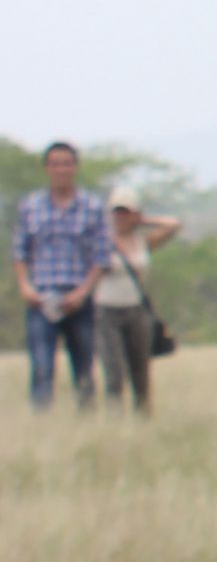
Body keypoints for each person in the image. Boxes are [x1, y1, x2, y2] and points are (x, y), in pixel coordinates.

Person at [18, 141, 113, 412]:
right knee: (41, 366)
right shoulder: (30, 206)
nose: (61, 169)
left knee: (84, 366)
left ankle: (86, 423)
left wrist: (83, 292)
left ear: (75, 167)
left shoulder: (92, 206)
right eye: (55, 163)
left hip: (79, 298)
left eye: (66, 163)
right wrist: (25, 287)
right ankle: (42, 424)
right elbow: (20, 252)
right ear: (47, 168)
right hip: (41, 297)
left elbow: (101, 256)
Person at [93, 182, 183, 415]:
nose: (121, 216)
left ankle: (142, 416)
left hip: (137, 311)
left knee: (140, 369)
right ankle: (114, 417)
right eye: (117, 211)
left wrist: (143, 221)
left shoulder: (143, 243)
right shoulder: (102, 242)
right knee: (113, 370)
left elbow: (173, 225)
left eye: (126, 211)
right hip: (106, 310)